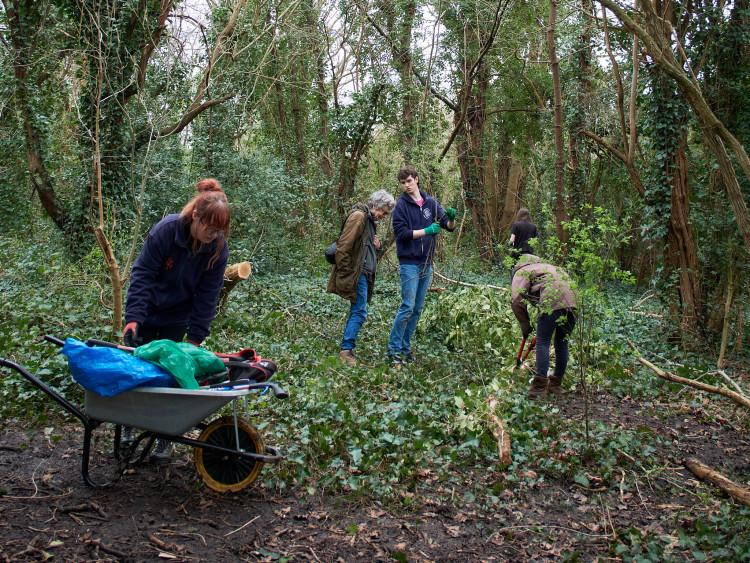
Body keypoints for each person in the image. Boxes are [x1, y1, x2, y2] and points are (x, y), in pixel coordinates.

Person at [121, 178, 230, 462]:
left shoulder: (217, 248)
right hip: (147, 313)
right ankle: (128, 427)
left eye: (219, 230)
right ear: (196, 215)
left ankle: (164, 436)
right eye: (209, 227)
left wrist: (194, 338)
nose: (213, 234)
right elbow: (142, 274)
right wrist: (133, 318)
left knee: (171, 377)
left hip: (177, 318)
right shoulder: (166, 232)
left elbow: (208, 295)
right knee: (139, 372)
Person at [387, 165, 457, 365]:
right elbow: (401, 235)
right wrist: (426, 231)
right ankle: (393, 351)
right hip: (409, 262)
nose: (406, 186)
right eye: (402, 183)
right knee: (407, 306)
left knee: (417, 309)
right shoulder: (400, 206)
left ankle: (405, 348)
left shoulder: (431, 204)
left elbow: (448, 227)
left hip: (426, 263)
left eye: (409, 181)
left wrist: (451, 220)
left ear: (416, 179)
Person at [327, 190, 395, 366]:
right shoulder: (359, 217)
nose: (384, 216)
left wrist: (377, 248)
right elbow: (343, 247)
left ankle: (347, 350)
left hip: (363, 273)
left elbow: (365, 251)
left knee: (358, 311)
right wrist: (346, 271)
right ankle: (346, 352)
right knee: (359, 312)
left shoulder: (370, 221)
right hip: (357, 274)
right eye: (384, 212)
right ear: (375, 206)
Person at [511, 255, 577, 398]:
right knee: (562, 343)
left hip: (552, 301)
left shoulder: (522, 271)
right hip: (574, 301)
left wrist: (525, 325)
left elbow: (516, 300)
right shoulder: (550, 268)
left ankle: (539, 387)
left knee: (543, 342)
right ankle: (556, 385)